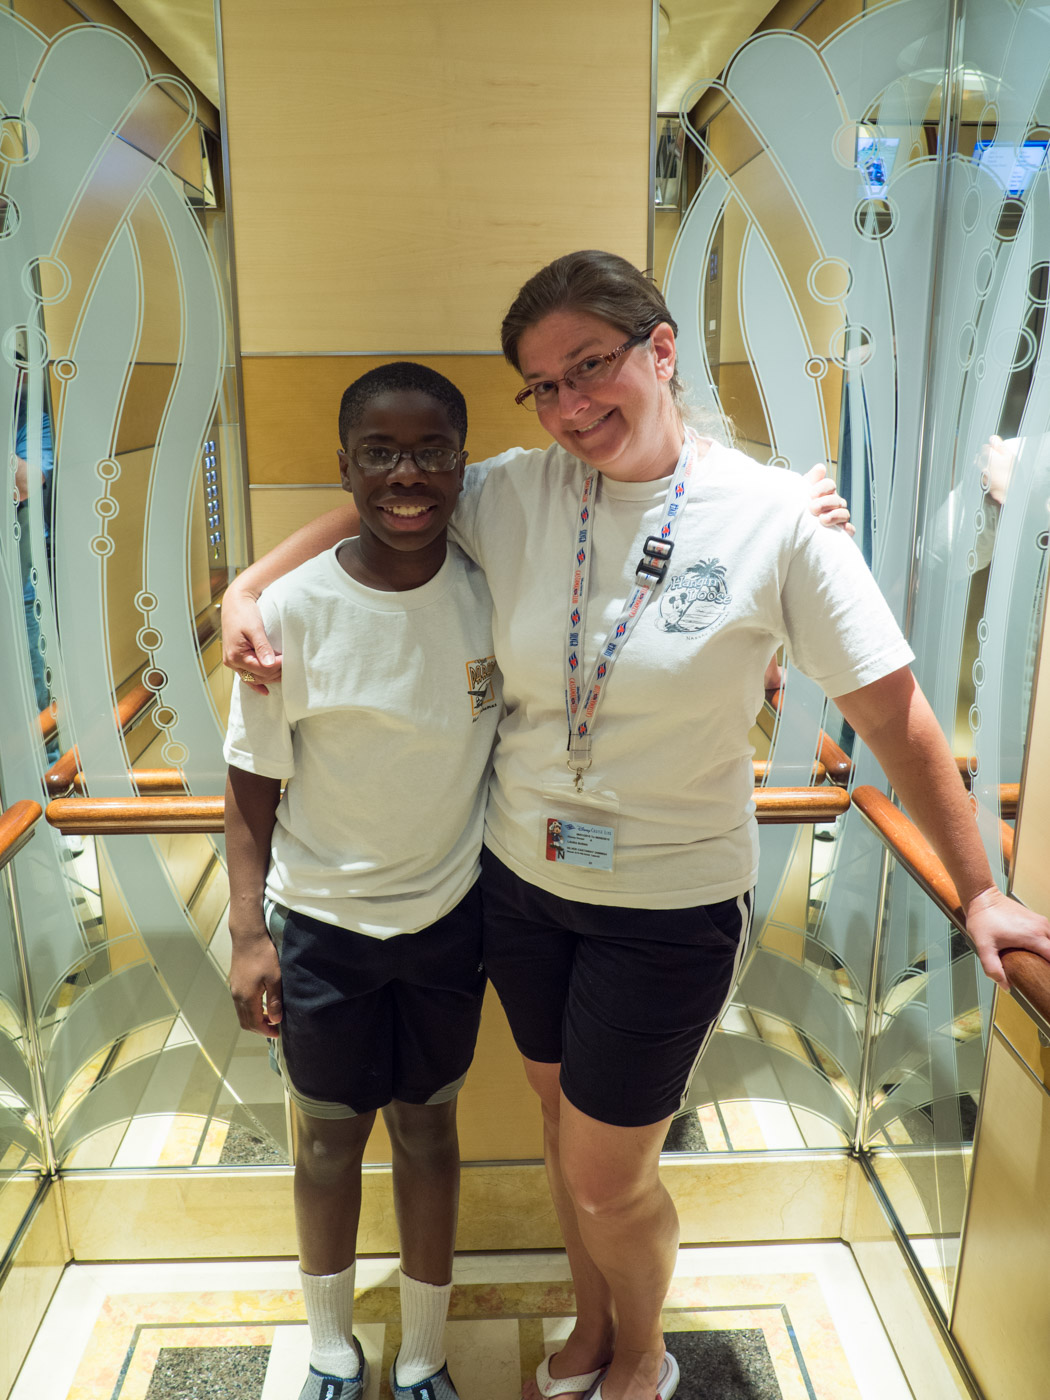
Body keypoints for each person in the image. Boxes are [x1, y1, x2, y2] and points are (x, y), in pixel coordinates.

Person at [222, 251, 1050, 1400]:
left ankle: (645, 1344)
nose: (569, 406)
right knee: (569, 1136)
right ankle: (592, 1315)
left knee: (610, 1172)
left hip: (667, 904)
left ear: (660, 351)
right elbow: (382, 495)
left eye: (590, 367)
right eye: (543, 386)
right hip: (520, 886)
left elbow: (898, 713)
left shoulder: (773, 518)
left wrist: (980, 887)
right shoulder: (519, 490)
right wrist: (246, 586)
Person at [223, 362, 500, 1400]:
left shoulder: (487, 584)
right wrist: (250, 933)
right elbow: (249, 792)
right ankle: (332, 1347)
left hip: (447, 918)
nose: (408, 473)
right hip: (321, 926)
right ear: (345, 467)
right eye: (380, 452)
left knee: (431, 1128)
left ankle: (423, 1353)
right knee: (329, 1140)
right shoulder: (290, 613)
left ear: (462, 462)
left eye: (431, 449)